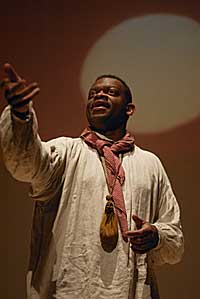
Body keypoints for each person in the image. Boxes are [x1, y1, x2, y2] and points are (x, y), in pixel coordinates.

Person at [0, 63, 184, 299]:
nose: (99, 95)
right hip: (70, 288)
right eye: (94, 93)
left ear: (129, 109)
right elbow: (24, 165)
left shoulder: (150, 163)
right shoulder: (65, 151)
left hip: (130, 289)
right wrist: (21, 115)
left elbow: (174, 238)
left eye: (110, 92)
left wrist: (156, 235)